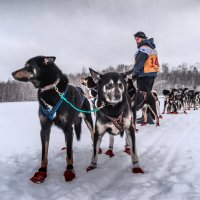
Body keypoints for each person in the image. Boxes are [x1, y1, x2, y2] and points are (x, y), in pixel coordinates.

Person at [132, 31, 160, 124]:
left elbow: (139, 62)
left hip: (144, 75)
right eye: (135, 39)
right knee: (147, 96)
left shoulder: (144, 48)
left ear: (143, 38)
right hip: (151, 74)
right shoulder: (151, 47)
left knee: (142, 97)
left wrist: (134, 74)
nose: (136, 41)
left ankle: (148, 117)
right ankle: (149, 116)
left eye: (138, 39)